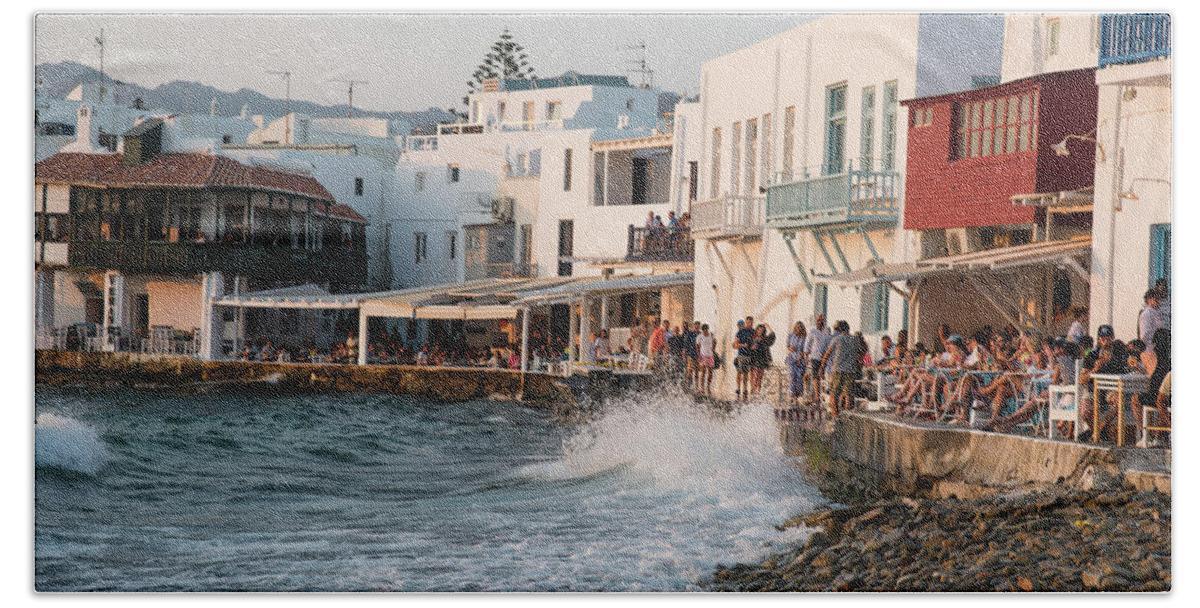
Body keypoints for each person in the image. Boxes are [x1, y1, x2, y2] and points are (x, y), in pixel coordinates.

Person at [820, 320, 863, 417]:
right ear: (848, 328)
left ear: (839, 329)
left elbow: (827, 354)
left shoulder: (836, 339)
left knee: (834, 394)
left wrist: (822, 368)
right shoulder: (855, 339)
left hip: (837, 370)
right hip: (850, 370)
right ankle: (847, 416)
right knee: (848, 394)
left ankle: (835, 416)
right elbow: (861, 353)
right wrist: (856, 361)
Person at [804, 315, 832, 404]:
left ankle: (823, 396)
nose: (820, 321)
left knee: (824, 376)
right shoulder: (812, 331)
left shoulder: (827, 330)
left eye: (822, 320)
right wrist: (806, 356)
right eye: (819, 320)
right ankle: (816, 396)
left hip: (825, 357)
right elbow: (807, 344)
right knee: (816, 376)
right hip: (815, 356)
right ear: (816, 321)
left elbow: (829, 342)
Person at [749, 323, 775, 397]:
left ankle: (757, 392)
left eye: (761, 330)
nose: (760, 331)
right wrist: (752, 347)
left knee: (760, 376)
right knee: (755, 375)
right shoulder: (752, 338)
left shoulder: (765, 339)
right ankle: (753, 390)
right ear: (756, 330)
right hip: (754, 358)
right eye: (759, 330)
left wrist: (769, 327)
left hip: (762, 358)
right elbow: (748, 347)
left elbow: (772, 336)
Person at [732, 317, 756, 400]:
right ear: (746, 322)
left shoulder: (754, 332)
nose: (750, 324)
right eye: (748, 322)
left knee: (746, 374)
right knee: (739, 372)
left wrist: (754, 346)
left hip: (750, 356)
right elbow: (735, 344)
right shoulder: (741, 332)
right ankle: (738, 388)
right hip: (741, 355)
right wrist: (743, 345)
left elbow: (755, 342)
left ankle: (745, 389)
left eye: (751, 322)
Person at [784, 322, 807, 405]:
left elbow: (805, 349)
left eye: (800, 327)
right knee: (791, 375)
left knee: (799, 377)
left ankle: (798, 396)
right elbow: (787, 345)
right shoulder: (791, 336)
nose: (799, 328)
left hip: (800, 358)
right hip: (792, 358)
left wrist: (800, 359)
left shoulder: (805, 338)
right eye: (797, 327)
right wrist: (791, 348)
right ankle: (792, 395)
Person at [695, 323, 716, 396]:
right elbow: (697, 346)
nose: (705, 332)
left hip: (710, 356)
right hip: (703, 356)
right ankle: (702, 388)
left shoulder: (711, 335)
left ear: (707, 330)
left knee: (710, 373)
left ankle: (708, 387)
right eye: (703, 330)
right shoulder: (699, 337)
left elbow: (715, 341)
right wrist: (698, 356)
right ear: (702, 330)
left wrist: (713, 349)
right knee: (703, 372)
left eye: (706, 330)